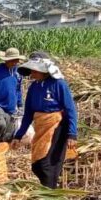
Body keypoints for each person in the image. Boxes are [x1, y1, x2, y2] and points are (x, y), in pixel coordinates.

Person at [12, 52, 78, 188]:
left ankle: (49, 194)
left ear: (44, 70)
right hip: (41, 127)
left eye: (34, 70)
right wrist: (18, 135)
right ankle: (47, 190)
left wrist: (72, 134)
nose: (32, 73)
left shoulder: (59, 84)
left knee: (48, 163)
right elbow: (28, 114)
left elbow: (70, 109)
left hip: (57, 127)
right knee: (36, 164)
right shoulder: (34, 87)